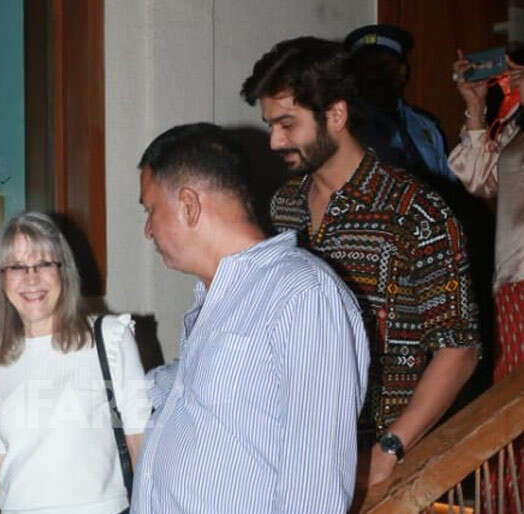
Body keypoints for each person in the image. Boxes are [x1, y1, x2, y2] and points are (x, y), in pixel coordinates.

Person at [241, 36, 480, 489]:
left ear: (336, 114)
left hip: (384, 467)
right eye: (270, 124)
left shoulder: (417, 211)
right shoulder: (283, 207)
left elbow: (460, 348)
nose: (274, 140)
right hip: (295, 456)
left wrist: (389, 449)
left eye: (287, 123)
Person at [130, 123, 369, 513]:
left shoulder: (302, 293)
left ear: (188, 204)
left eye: (151, 209)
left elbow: (316, 485)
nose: (147, 229)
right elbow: (208, 396)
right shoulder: (221, 297)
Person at [0, 212, 150, 514]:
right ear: (1, 278)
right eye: (17, 267)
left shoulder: (109, 338)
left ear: (63, 271)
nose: (31, 279)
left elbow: (140, 443)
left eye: (44, 263)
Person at [450, 48, 524, 508]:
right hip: (512, 286)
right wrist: (476, 106)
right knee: (509, 415)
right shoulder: (516, 123)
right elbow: (478, 179)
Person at [344, 24, 457, 187]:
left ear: (402, 71)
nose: (375, 74)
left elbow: (448, 182)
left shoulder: (425, 125)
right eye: (367, 66)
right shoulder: (343, 127)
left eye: (384, 65)